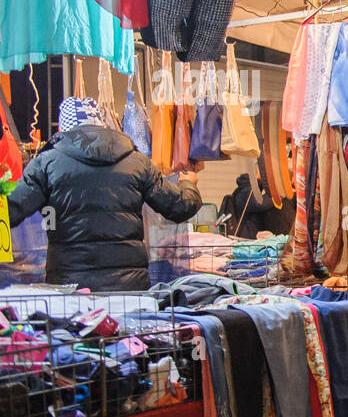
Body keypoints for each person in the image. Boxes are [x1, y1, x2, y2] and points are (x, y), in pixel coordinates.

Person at [6, 98, 202, 291]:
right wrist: (188, 183)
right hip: (129, 288)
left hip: (70, 289)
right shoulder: (138, 161)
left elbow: (9, 211)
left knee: (80, 325)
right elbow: (179, 207)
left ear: (62, 130)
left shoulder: (46, 164)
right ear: (102, 124)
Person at [220, 172, 275, 239]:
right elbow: (259, 204)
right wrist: (277, 196)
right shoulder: (246, 191)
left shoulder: (247, 190)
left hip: (248, 238)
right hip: (245, 239)